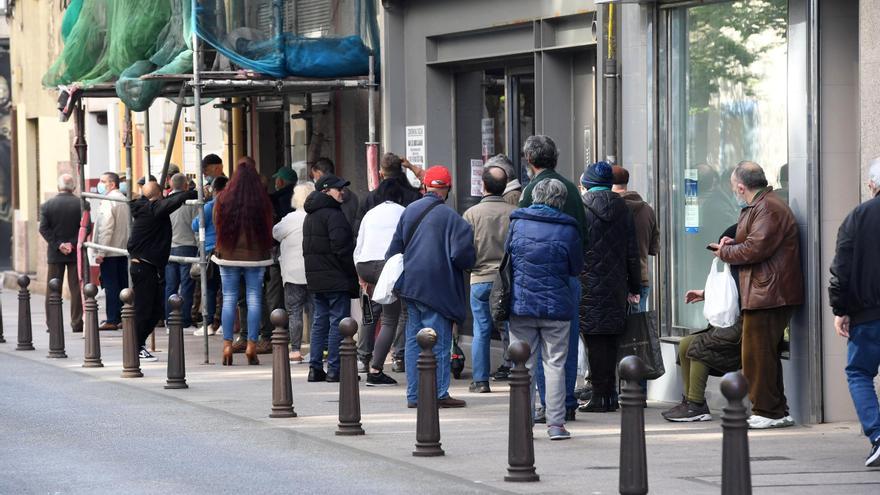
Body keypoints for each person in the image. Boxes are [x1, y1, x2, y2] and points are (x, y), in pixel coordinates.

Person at [710, 161, 803, 429]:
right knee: (763, 354)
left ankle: (767, 411)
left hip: (769, 293)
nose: (734, 191)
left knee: (756, 355)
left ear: (740, 187)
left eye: (733, 187)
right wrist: (733, 243)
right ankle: (774, 409)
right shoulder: (764, 205)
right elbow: (753, 243)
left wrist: (725, 252)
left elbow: (755, 248)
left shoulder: (767, 207)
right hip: (767, 291)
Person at [387, 165, 475, 408]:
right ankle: (438, 393)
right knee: (439, 340)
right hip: (439, 289)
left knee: (415, 340)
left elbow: (394, 250)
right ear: (447, 189)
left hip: (411, 286)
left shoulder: (409, 212)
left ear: (424, 186)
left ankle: (414, 396)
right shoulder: (452, 218)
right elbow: (463, 257)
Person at [507, 178, 583, 440]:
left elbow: (509, 259)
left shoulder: (517, 223)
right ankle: (556, 424)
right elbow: (576, 268)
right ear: (560, 201)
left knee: (523, 364)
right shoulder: (569, 229)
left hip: (522, 304)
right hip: (557, 306)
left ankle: (522, 422)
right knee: (555, 364)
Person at [518, 135, 587, 421]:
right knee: (564, 347)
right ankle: (566, 402)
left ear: (529, 160)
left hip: (534, 279)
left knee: (539, 350)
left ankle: (549, 405)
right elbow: (582, 235)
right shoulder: (571, 188)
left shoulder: (530, 192)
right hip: (568, 276)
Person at [577, 161, 641, 413]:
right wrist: (634, 285)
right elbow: (632, 253)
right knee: (612, 341)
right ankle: (610, 395)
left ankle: (600, 396)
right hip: (616, 285)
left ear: (588, 185)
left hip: (588, 284)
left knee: (593, 341)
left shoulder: (582, 209)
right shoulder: (623, 209)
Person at [829, 158, 880, 467]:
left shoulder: (858, 217)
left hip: (868, 314)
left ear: (873, 185)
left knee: (859, 372)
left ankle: (877, 435)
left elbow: (841, 268)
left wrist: (840, 309)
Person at [662, 225, 742, 423]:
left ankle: (695, 404)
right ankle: (691, 401)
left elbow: (742, 299)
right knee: (686, 343)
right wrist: (705, 294)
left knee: (700, 346)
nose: (719, 251)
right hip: (727, 327)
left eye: (724, 245)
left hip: (741, 327)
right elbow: (730, 297)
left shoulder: (745, 268)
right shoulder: (732, 269)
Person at [354, 152, 422, 373]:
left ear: (381, 173)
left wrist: (360, 274)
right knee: (399, 312)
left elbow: (359, 237)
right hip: (392, 265)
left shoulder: (369, 203)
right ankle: (398, 356)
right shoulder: (410, 200)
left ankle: (363, 357)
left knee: (370, 310)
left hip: (366, 263)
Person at [213, 158, 274, 366]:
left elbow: (216, 223)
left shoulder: (223, 198)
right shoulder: (262, 200)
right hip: (255, 256)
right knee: (254, 298)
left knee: (229, 298)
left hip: (228, 254)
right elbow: (269, 228)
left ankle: (228, 345)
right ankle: (251, 345)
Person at [128, 181, 197, 361]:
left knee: (156, 309)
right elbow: (171, 202)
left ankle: (137, 344)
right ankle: (136, 346)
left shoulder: (147, 207)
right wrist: (191, 193)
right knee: (144, 309)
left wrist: (185, 193)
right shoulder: (151, 211)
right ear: (158, 195)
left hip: (149, 265)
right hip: (144, 266)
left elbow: (171, 200)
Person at [463, 166, 517, 393]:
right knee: (513, 329)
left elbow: (463, 250)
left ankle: (480, 380)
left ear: (482, 186)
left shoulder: (471, 214)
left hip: (480, 278)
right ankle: (518, 374)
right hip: (507, 280)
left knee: (481, 329)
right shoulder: (514, 212)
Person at [303, 173, 359, 382]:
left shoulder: (310, 215)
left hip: (317, 279)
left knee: (320, 322)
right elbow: (342, 248)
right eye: (338, 189)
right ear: (326, 191)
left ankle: (315, 368)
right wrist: (350, 274)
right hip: (336, 277)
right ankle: (335, 368)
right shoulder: (334, 214)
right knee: (338, 322)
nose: (342, 192)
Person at [273, 182, 315, 364]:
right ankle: (317, 350)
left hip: (292, 273)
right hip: (314, 272)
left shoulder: (290, 219)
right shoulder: (316, 217)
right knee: (315, 312)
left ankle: (295, 351)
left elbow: (275, 233)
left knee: (294, 312)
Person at [39, 174, 84, 333]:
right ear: (73, 187)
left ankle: (53, 324)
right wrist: (72, 243)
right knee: (76, 289)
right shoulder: (81, 204)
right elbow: (86, 227)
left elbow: (43, 229)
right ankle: (77, 323)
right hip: (75, 252)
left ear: (59, 187)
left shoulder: (47, 205)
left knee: (52, 288)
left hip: (55, 253)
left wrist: (59, 245)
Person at [612, 166, 659, 311]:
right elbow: (654, 248)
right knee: (637, 329)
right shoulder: (647, 209)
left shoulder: (610, 208)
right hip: (641, 279)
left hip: (616, 280)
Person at [192, 175, 228, 336]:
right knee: (227, 289)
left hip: (210, 251)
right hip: (228, 250)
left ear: (214, 189)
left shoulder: (210, 206)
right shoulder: (232, 204)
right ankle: (223, 324)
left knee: (211, 289)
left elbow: (195, 225)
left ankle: (210, 323)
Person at [93, 171, 129, 331]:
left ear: (112, 184)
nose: (99, 184)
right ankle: (123, 317)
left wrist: (101, 252)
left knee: (111, 286)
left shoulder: (109, 201)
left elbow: (106, 228)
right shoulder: (124, 200)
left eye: (103, 181)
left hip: (110, 251)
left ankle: (112, 319)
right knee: (122, 285)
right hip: (123, 249)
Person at [164, 173, 199, 329]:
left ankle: (169, 317)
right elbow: (197, 226)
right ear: (186, 185)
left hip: (169, 247)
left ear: (171, 185)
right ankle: (184, 319)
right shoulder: (190, 202)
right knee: (186, 286)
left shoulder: (165, 202)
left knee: (170, 285)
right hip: (188, 246)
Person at [310, 157, 359, 228]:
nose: (314, 179)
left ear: (318, 173)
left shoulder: (325, 198)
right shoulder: (352, 196)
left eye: (313, 176)